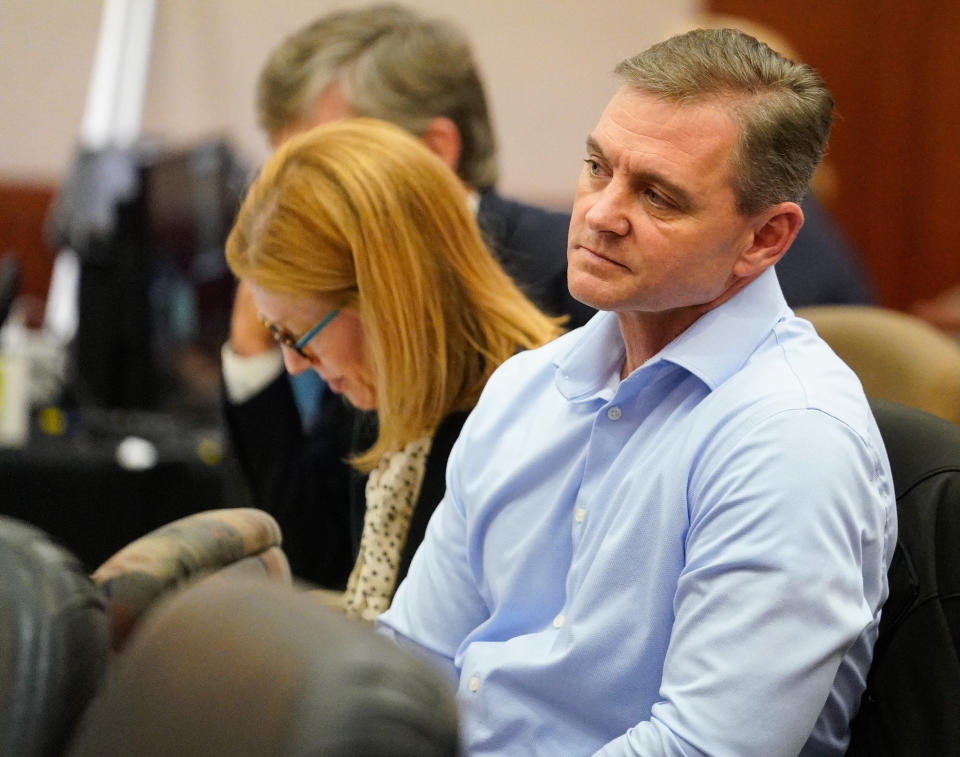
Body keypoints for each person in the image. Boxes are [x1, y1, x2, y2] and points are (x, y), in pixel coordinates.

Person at [379, 28, 897, 755]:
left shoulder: (791, 438)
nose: (597, 213)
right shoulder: (527, 385)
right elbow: (412, 661)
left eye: (657, 195)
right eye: (597, 167)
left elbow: (699, 747)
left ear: (764, 239)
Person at [222, 4, 588, 587]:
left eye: (329, 161)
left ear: (434, 151)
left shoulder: (582, 291)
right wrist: (258, 343)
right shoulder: (350, 320)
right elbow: (318, 553)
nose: (294, 201)